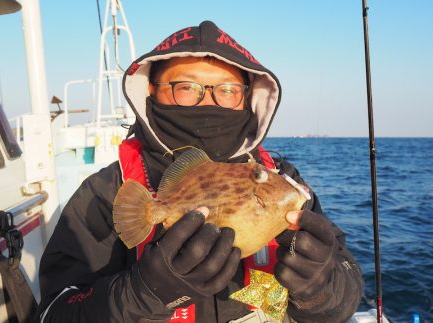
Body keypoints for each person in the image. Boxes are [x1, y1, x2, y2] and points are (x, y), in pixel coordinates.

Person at [35, 21, 363, 323]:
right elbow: (54, 312)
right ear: (151, 90)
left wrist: (320, 288)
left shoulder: (283, 179)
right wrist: (141, 293)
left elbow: (344, 296)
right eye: (186, 87)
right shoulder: (107, 191)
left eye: (228, 90)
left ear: (247, 98)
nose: (209, 102)